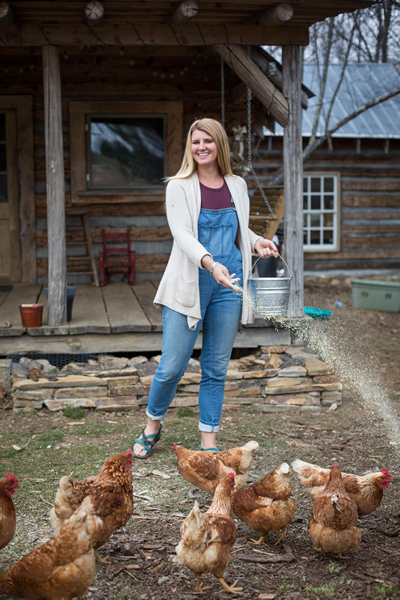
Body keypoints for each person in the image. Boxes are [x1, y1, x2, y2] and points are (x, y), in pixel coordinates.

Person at [132, 118, 278, 459]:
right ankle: (152, 426)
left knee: (215, 367)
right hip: (191, 282)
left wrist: (257, 243)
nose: (201, 147)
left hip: (229, 285)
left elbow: (240, 228)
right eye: (196, 141)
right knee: (171, 366)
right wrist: (211, 264)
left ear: (219, 146)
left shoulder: (237, 185)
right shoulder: (179, 186)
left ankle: (208, 440)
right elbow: (182, 234)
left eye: (208, 141)